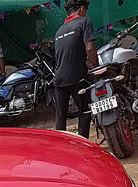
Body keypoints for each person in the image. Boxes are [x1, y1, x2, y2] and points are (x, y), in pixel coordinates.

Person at [54, 0, 98, 139]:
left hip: (59, 77)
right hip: (77, 77)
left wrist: (85, 62)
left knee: (61, 115)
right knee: (84, 111)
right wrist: (96, 67)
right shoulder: (84, 21)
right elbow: (89, 48)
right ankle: (83, 144)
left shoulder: (60, 30)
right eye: (85, 10)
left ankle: (60, 144)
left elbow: (68, 53)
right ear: (81, 9)